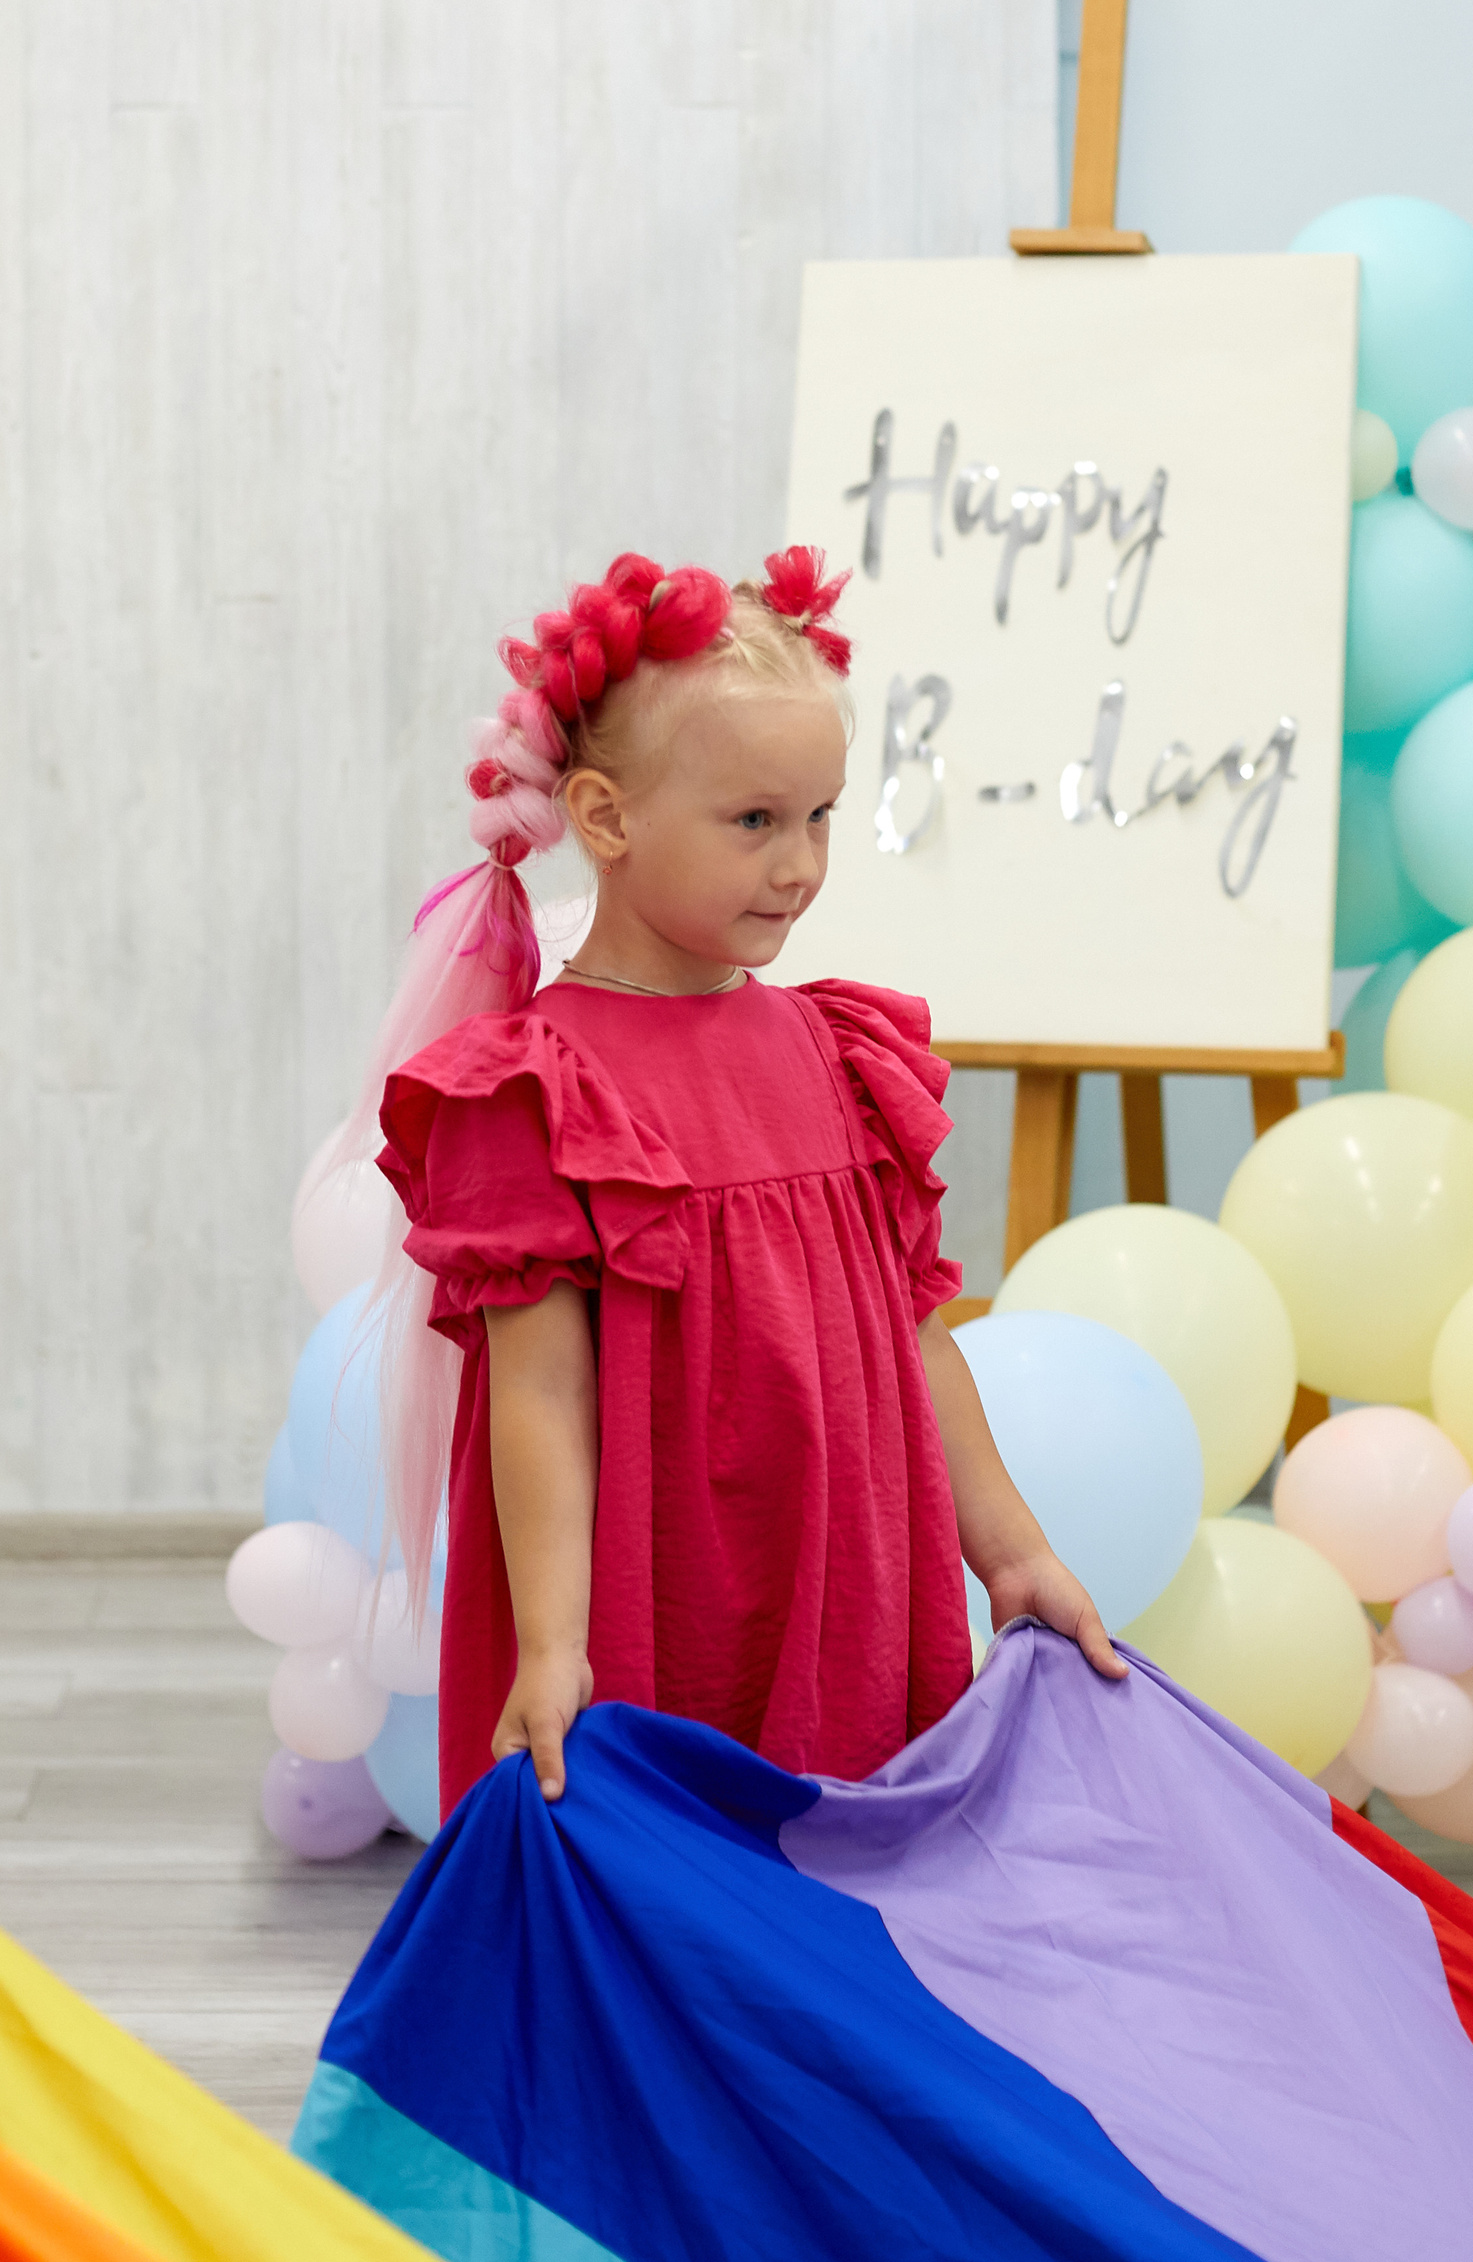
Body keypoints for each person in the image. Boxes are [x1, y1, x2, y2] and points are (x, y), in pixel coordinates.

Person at [363, 551, 1125, 1818]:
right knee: (663, 1900)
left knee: (835, 1889)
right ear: (606, 819)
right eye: (755, 822)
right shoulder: (535, 1087)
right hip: (654, 1593)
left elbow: (915, 1332)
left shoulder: (839, 1054)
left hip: (842, 1575)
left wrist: (1010, 1549)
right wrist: (552, 1643)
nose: (800, 864)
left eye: (820, 817)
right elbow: (540, 1395)